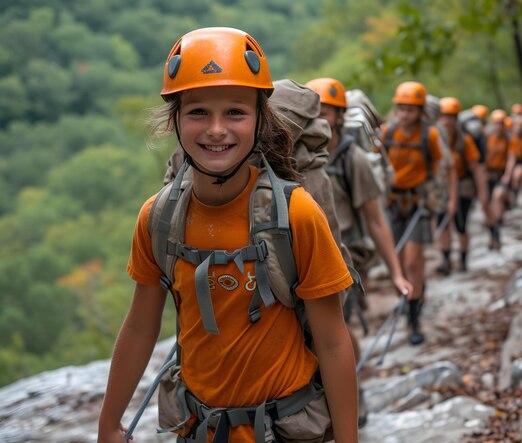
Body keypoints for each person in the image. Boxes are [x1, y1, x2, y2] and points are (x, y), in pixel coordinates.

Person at [98, 27, 358, 443]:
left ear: (260, 120)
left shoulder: (296, 214)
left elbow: (332, 342)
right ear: (175, 120)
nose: (216, 130)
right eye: (198, 112)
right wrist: (108, 424)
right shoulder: (159, 217)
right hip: (201, 428)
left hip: (286, 429)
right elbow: (140, 328)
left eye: (235, 112)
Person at [305, 77, 412, 428]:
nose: (320, 117)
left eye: (327, 110)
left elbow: (376, 220)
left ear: (339, 116)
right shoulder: (298, 158)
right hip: (308, 254)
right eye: (315, 109)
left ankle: (351, 390)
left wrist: (396, 273)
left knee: (335, 329)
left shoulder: (355, 161)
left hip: (346, 256)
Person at [381, 81, 456, 345]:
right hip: (393, 203)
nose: (405, 114)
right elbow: (377, 164)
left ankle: (413, 319)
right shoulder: (387, 133)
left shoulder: (430, 135)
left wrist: (442, 198)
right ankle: (411, 298)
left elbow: (442, 167)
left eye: (410, 110)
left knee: (413, 261)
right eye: (401, 108)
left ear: (420, 111)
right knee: (398, 263)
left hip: (418, 204)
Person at [435, 97, 490, 274]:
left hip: (463, 186)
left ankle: (463, 259)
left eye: (449, 117)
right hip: (442, 187)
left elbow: (476, 168)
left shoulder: (464, 141)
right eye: (442, 116)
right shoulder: (434, 139)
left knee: (460, 224)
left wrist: (482, 194)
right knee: (443, 224)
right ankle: (446, 260)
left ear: (456, 119)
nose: (445, 120)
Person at [485, 109, 510, 249]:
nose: (498, 126)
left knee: (497, 197)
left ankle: (497, 224)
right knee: (489, 204)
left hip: (502, 174)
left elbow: (511, 157)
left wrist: (508, 174)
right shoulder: (487, 138)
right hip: (489, 175)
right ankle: (494, 231)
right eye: (496, 124)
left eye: (500, 124)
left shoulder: (508, 138)